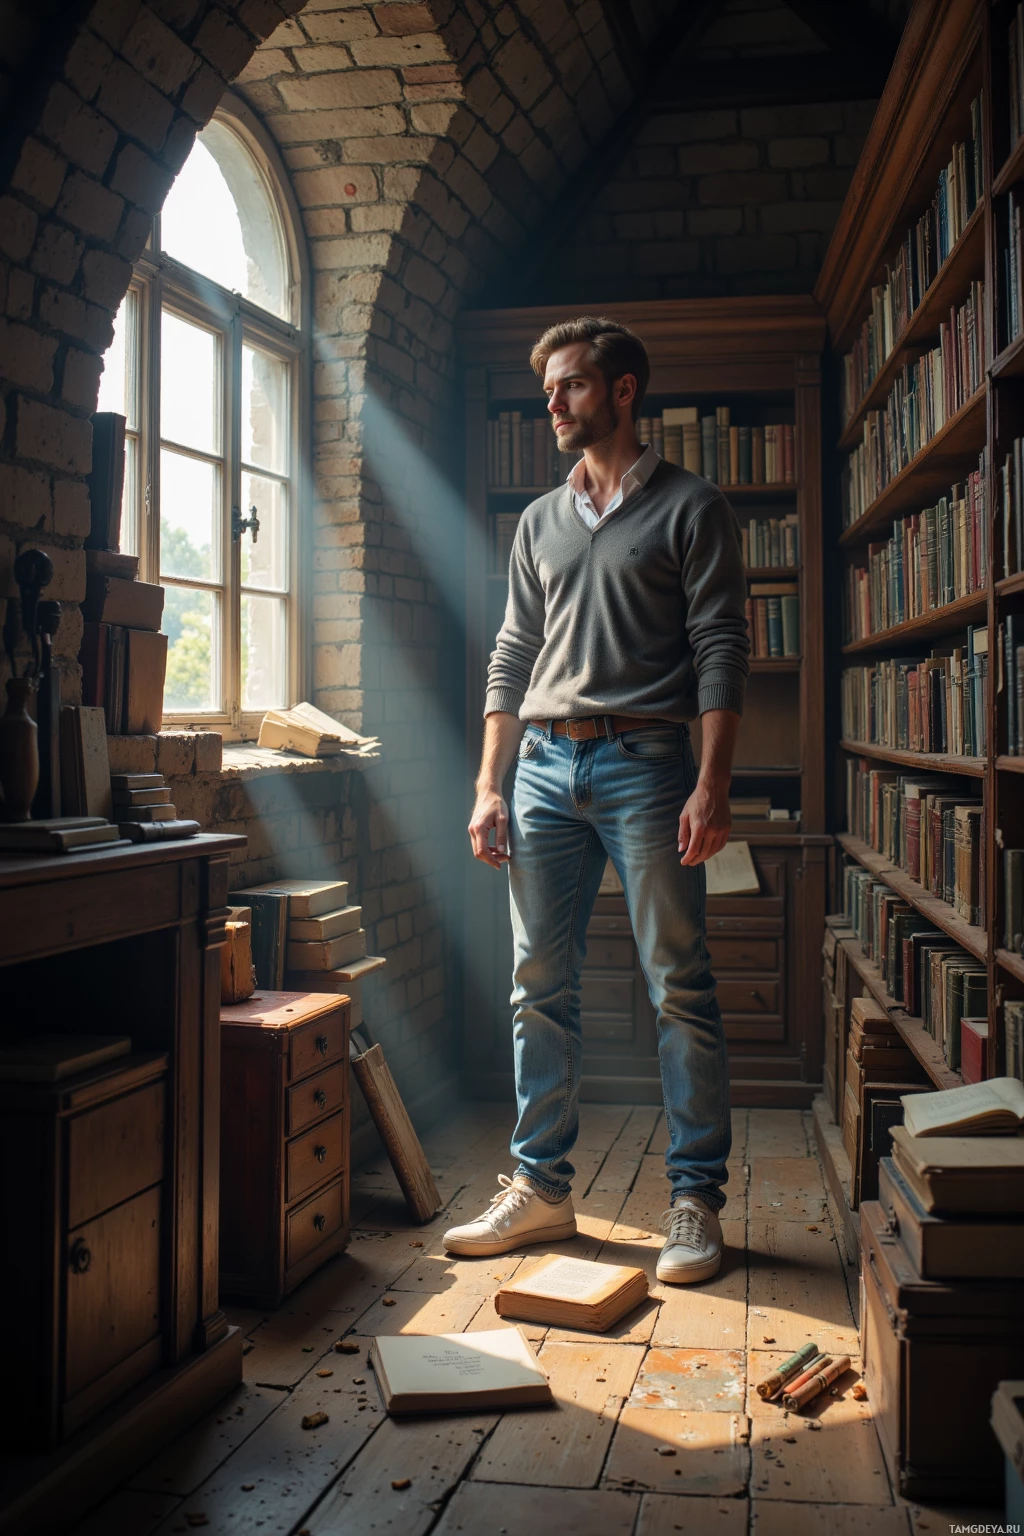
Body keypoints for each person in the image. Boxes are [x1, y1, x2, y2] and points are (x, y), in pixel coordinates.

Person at [444, 316, 750, 1283]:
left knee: (678, 983)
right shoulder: (539, 520)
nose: (554, 404)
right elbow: (511, 654)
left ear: (623, 392)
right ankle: (542, 1189)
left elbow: (720, 648)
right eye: (548, 390)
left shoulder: (693, 507)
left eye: (572, 386)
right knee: (540, 984)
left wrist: (712, 781)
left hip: (648, 767)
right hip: (539, 768)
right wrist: (488, 782)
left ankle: (695, 1199)